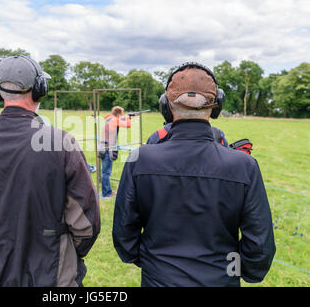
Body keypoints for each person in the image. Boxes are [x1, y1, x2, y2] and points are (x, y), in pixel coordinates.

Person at [113, 62, 275, 287]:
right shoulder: (244, 165)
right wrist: (234, 272)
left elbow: (124, 236)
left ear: (166, 106)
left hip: (158, 278)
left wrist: (155, 263)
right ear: (216, 105)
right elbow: (259, 246)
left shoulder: (139, 159)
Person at [0, 55, 100, 287]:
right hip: (51, 277)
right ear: (40, 89)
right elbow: (86, 224)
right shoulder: (61, 143)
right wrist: (65, 253)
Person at [98, 106, 132, 198]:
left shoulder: (108, 118)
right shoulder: (114, 120)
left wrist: (124, 117)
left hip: (103, 147)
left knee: (105, 171)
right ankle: (106, 194)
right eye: (121, 114)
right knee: (106, 172)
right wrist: (128, 118)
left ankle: (108, 190)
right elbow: (128, 125)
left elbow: (116, 119)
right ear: (118, 114)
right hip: (107, 149)